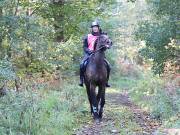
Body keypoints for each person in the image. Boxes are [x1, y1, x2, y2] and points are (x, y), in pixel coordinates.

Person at [79, 21, 111, 87]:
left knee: (108, 65)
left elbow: (107, 44)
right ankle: (81, 80)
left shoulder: (102, 36)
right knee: (82, 64)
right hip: (89, 54)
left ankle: (106, 81)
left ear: (98, 28)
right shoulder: (88, 36)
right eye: (94, 27)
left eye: (96, 27)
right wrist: (89, 51)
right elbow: (84, 47)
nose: (95, 28)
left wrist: (107, 46)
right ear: (92, 28)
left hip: (100, 54)